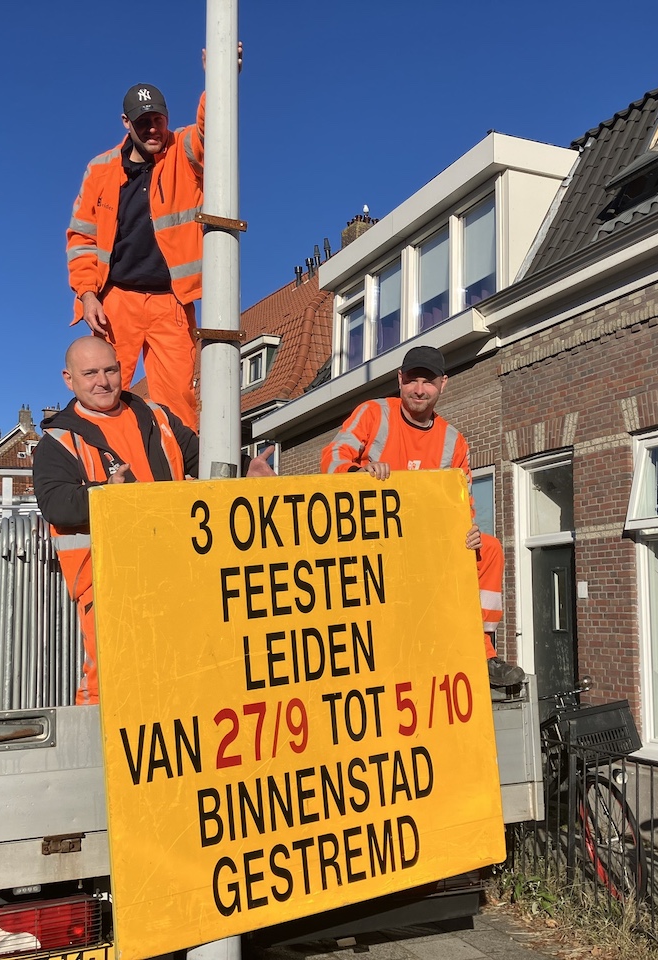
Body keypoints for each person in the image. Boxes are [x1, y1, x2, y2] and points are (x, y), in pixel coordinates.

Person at [34, 336, 274, 704]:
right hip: (108, 577)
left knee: (189, 668)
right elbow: (55, 504)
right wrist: (107, 491)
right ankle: (97, 757)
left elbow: (202, 460)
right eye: (91, 373)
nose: (103, 381)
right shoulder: (58, 440)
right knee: (111, 679)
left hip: (179, 564)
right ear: (69, 379)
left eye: (110, 370)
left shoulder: (157, 415)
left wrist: (246, 473)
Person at [322, 345, 525, 687]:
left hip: (424, 541)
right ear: (400, 380)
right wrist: (360, 472)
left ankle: (482, 651)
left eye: (427, 382)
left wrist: (469, 529)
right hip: (371, 537)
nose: (419, 389)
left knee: (488, 548)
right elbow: (331, 459)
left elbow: (462, 503)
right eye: (412, 380)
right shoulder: (373, 414)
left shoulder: (453, 440)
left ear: (443, 385)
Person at [66, 45, 242, 432]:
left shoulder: (183, 150)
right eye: (143, 122)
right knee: (105, 393)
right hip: (116, 303)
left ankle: (178, 483)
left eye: (158, 120)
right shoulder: (100, 170)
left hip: (170, 301)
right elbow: (80, 238)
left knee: (178, 400)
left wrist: (219, 76)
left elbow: (212, 129)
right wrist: (88, 294)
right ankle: (110, 475)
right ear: (126, 123)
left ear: (167, 119)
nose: (152, 129)